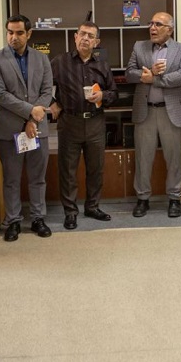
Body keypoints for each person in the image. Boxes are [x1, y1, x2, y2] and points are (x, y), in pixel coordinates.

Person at [0, 15, 53, 242]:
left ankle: (38, 218)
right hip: (9, 129)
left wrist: (33, 120)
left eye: (19, 33)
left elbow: (47, 91)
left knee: (38, 178)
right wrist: (30, 112)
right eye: (10, 32)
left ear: (29, 34)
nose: (14, 37)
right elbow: (0, 95)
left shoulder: (42, 59)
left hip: (37, 128)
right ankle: (13, 220)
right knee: (11, 179)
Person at [49, 21, 118, 230]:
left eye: (90, 36)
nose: (85, 39)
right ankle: (70, 212)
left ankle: (92, 207)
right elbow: (42, 85)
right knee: (68, 170)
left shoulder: (102, 65)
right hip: (69, 121)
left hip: (96, 121)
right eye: (82, 34)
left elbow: (114, 93)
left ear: (97, 42)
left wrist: (103, 95)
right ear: (75, 37)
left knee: (96, 169)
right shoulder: (59, 62)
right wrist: (51, 102)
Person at [125, 11, 181, 218]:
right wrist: (149, 73)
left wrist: (153, 79)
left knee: (174, 158)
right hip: (145, 111)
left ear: (169, 29)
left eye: (158, 24)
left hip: (171, 112)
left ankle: (174, 198)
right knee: (143, 158)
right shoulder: (139, 46)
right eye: (151, 23)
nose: (152, 28)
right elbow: (129, 73)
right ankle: (142, 198)